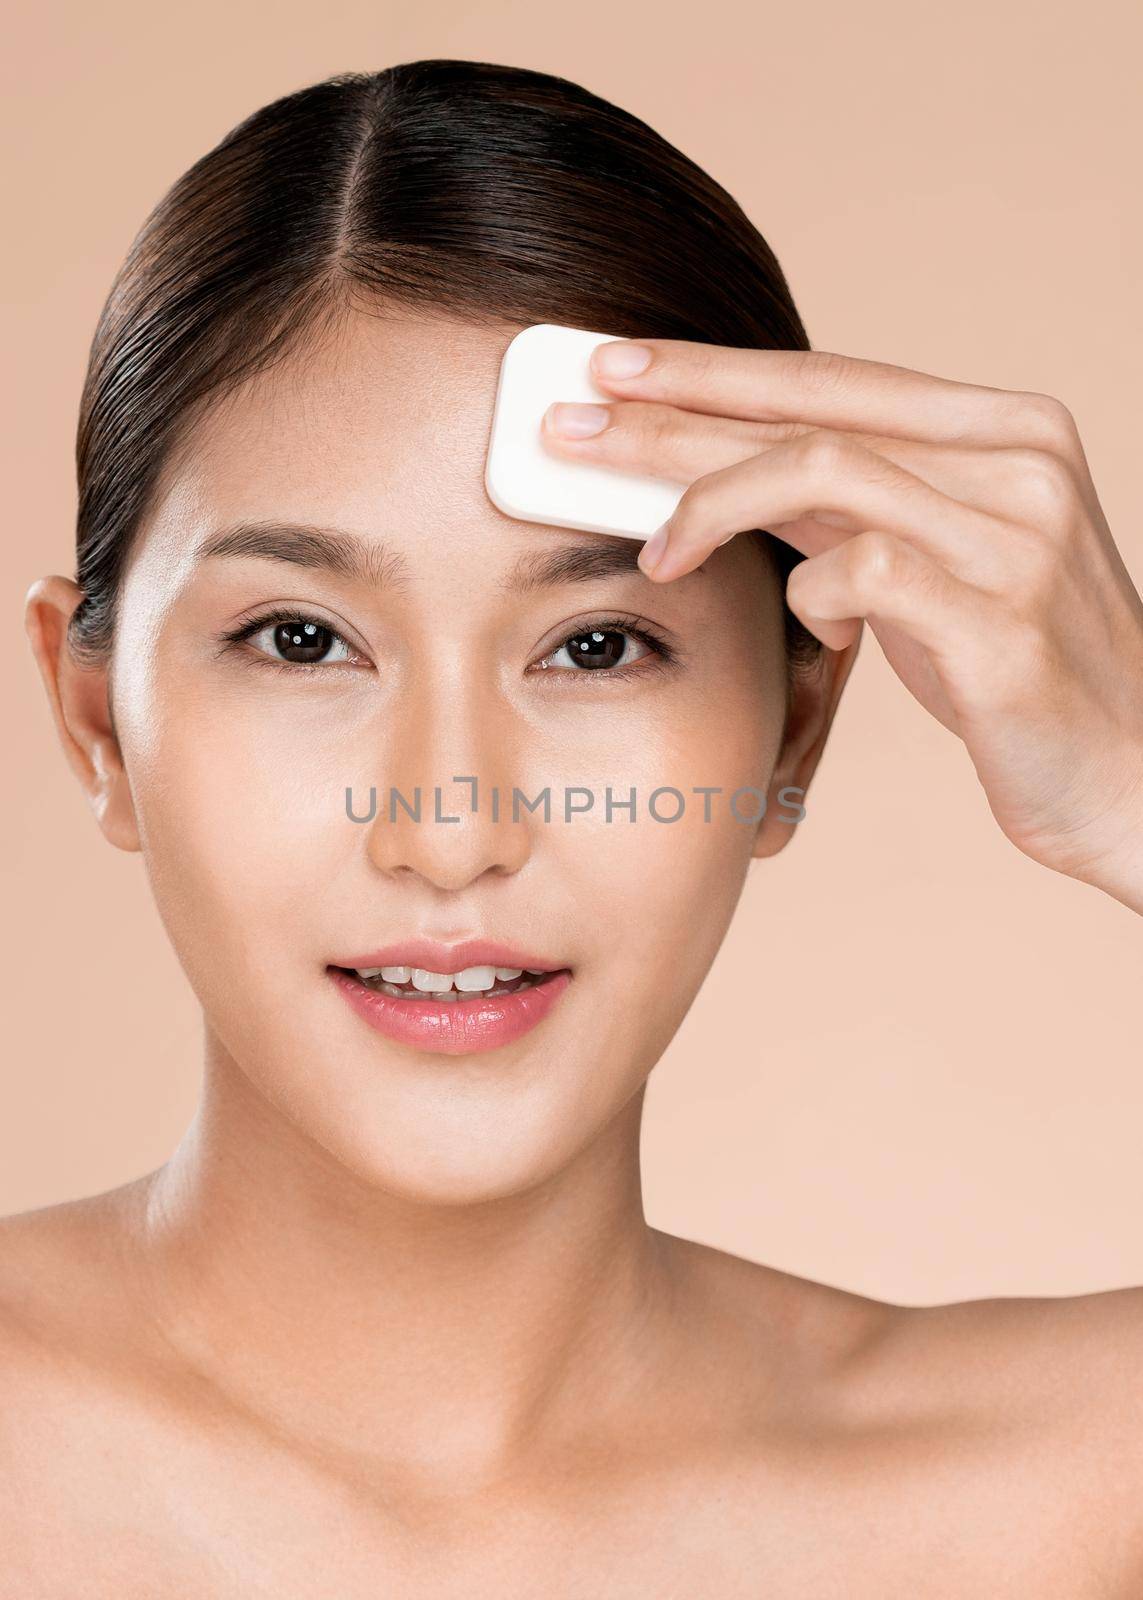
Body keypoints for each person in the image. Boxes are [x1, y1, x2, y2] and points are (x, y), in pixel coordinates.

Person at [11, 58, 1143, 1592]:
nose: (453, 830)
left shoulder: (1058, 1496)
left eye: (599, 647)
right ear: (99, 722)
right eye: (298, 638)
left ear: (794, 726)